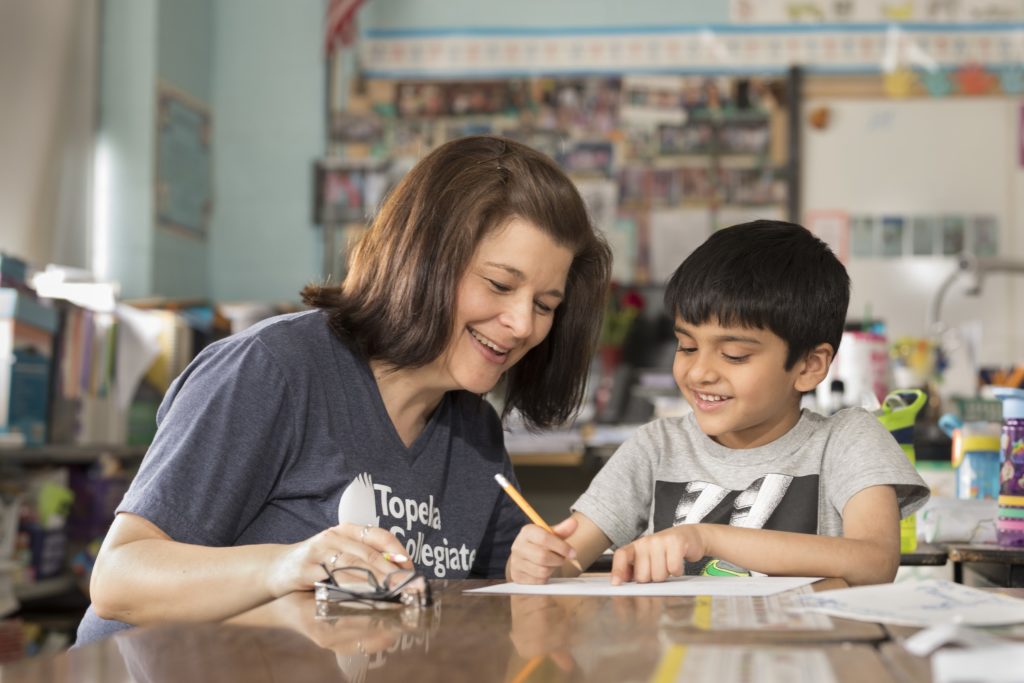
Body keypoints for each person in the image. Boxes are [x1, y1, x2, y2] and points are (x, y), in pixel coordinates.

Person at [77, 135, 611, 644]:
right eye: (499, 285)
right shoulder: (274, 370)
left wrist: (540, 562)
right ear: (423, 261)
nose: (523, 324)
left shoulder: (474, 432)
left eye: (545, 305)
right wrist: (287, 565)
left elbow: (499, 594)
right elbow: (119, 578)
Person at [507, 220, 929, 587]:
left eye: (734, 355)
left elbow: (875, 561)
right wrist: (535, 562)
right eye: (687, 346)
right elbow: (568, 558)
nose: (699, 373)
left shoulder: (847, 440)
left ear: (809, 365)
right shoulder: (656, 447)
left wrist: (707, 538)